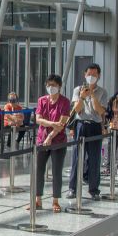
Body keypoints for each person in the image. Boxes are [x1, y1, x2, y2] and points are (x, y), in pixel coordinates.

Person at [30, 75, 71, 213]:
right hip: (42, 139)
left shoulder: (65, 102)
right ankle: (37, 199)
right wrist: (52, 124)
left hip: (58, 141)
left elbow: (62, 123)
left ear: (59, 86)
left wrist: (50, 135)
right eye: (48, 85)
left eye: (53, 85)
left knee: (56, 171)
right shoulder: (42, 100)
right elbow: (38, 119)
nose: (51, 87)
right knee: (38, 170)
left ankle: (55, 200)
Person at [67, 64, 107, 202]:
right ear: (85, 74)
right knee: (77, 157)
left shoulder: (102, 92)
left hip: (95, 125)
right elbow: (76, 110)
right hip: (81, 124)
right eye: (89, 74)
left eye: (94, 75)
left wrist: (92, 95)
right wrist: (83, 97)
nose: (91, 77)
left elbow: (100, 111)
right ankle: (72, 188)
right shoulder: (78, 90)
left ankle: (94, 189)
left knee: (95, 158)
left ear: (99, 76)